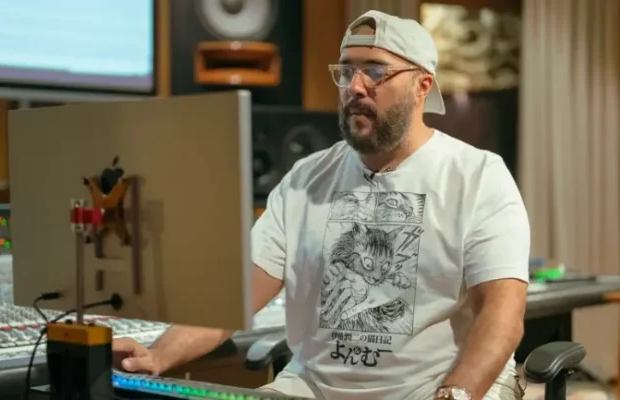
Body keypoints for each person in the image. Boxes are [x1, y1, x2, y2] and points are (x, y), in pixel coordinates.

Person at [113, 9, 529, 400]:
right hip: (313, 388)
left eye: (375, 71)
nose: (355, 87)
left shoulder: (477, 177)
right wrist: (157, 355)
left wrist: (454, 395)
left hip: (432, 389)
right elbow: (235, 298)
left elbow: (502, 316)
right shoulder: (306, 179)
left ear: (422, 86)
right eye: (346, 71)